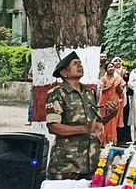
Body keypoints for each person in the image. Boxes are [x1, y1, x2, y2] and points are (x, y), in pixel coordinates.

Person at [44, 51, 105, 179]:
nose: (80, 66)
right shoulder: (57, 94)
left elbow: (97, 124)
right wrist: (85, 129)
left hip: (91, 162)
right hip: (67, 164)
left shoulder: (89, 92)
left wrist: (112, 113)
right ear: (64, 73)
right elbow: (53, 127)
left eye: (80, 63)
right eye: (75, 64)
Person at [99, 57, 126, 145]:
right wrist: (107, 88)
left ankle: (112, 141)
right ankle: (103, 141)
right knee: (105, 122)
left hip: (114, 102)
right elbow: (100, 91)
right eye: (109, 67)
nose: (111, 68)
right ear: (106, 69)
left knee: (113, 122)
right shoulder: (103, 79)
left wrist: (118, 87)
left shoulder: (118, 79)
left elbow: (121, 91)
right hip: (104, 102)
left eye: (112, 67)